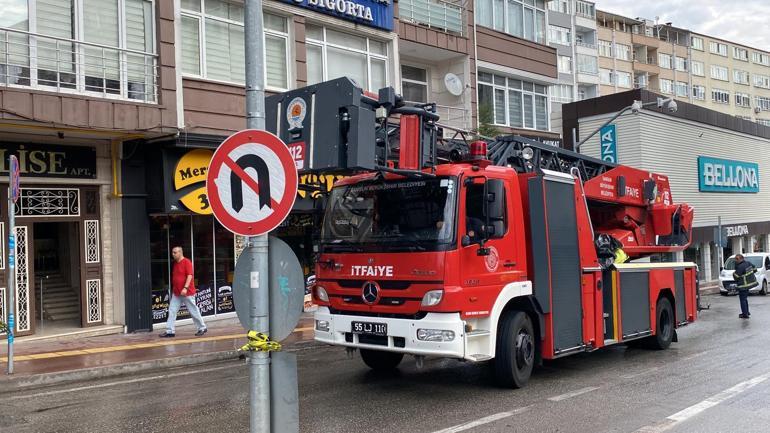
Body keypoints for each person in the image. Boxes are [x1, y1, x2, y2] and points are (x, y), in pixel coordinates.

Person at [160, 246, 208, 337]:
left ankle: (202, 328)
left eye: (175, 252)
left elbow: (190, 275)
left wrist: (185, 288)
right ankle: (170, 331)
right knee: (172, 310)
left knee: (193, 310)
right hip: (177, 292)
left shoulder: (187, 262)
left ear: (180, 252)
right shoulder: (175, 263)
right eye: (173, 252)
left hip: (187, 292)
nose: (173, 254)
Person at [732, 254, 757, 319]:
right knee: (745, 299)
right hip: (749, 284)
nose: (736, 260)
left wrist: (733, 273)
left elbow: (736, 276)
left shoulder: (740, 266)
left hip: (743, 285)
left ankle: (745, 314)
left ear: (741, 259)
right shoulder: (748, 263)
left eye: (737, 259)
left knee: (742, 300)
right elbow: (755, 269)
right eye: (735, 259)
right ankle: (746, 312)